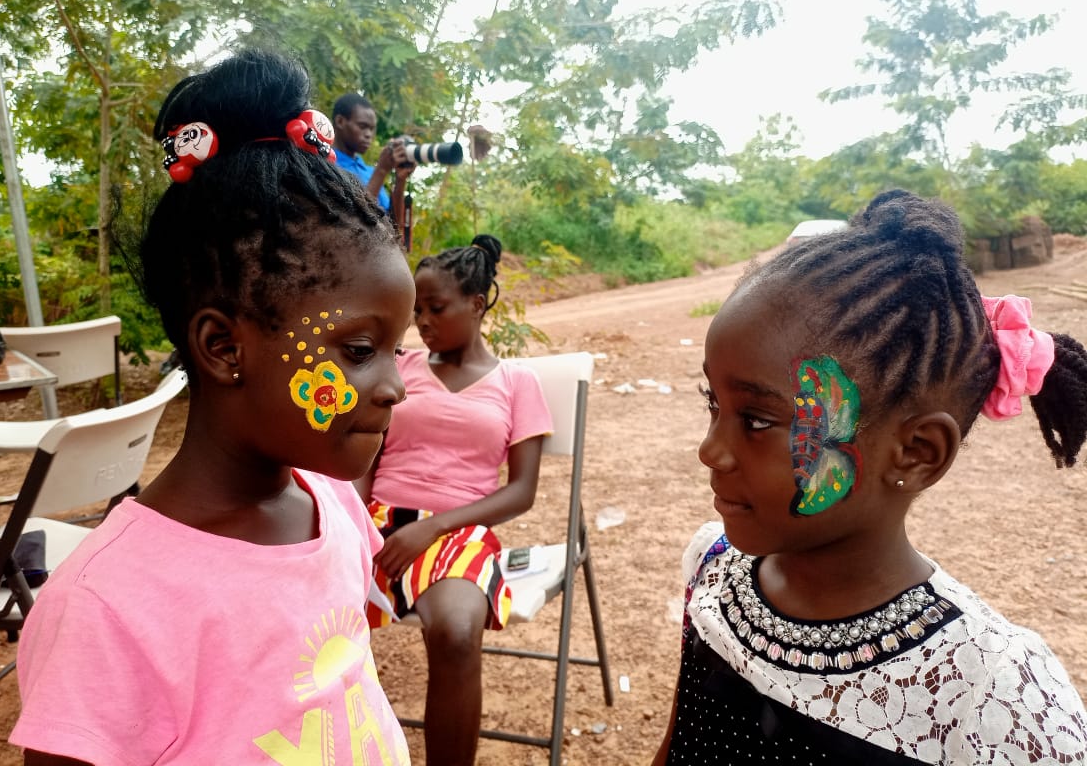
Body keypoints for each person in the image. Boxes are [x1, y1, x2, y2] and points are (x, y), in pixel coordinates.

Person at [9, 49, 415, 765]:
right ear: (225, 347)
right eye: (357, 350)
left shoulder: (333, 506)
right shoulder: (108, 610)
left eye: (393, 348)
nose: (394, 386)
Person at [654, 189, 1087, 765]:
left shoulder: (994, 699)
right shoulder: (712, 567)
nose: (711, 451)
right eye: (714, 402)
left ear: (915, 452)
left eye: (757, 419)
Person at [356, 234, 553, 766]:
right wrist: (352, 525)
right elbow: (365, 461)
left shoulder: (516, 382)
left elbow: (521, 491)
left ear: (477, 303)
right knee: (293, 598)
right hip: (376, 522)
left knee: (458, 631)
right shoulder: (402, 367)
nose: (422, 321)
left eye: (435, 308)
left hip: (458, 532)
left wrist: (433, 527)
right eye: (417, 310)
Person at [332, 92, 414, 220]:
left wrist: (400, 180)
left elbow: (395, 225)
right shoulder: (325, 164)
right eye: (363, 126)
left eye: (372, 129)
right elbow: (353, 222)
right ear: (340, 121)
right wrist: (381, 170)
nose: (368, 134)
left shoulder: (370, 172)